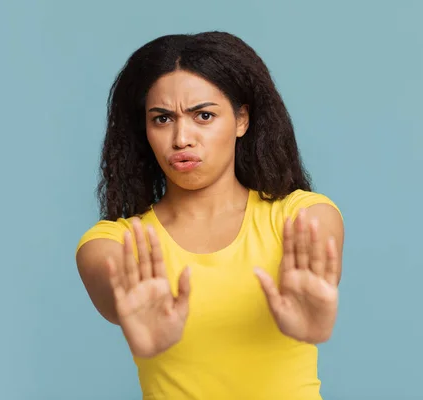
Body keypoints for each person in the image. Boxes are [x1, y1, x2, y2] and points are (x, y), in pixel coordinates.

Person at [75, 31, 345, 400]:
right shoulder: (113, 242)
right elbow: (107, 280)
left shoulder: (301, 216)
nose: (182, 138)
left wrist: (311, 312)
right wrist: (134, 310)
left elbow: (322, 244)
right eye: (162, 119)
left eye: (203, 115)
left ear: (241, 120)